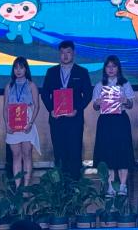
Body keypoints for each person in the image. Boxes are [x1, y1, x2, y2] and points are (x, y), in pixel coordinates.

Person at [41, 40, 92, 179]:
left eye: (68, 52)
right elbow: (45, 94)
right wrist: (51, 110)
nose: (65, 55)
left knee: (75, 152)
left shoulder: (82, 72)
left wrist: (77, 109)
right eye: (62, 52)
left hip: (74, 119)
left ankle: (75, 184)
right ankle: (60, 185)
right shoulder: (51, 72)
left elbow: (88, 95)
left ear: (73, 53)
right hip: (56, 119)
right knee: (59, 152)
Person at [92, 55, 135, 195]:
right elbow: (95, 107)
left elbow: (131, 104)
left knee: (123, 152)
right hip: (105, 121)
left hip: (120, 120)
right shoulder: (99, 85)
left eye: (114, 66)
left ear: (118, 68)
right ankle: (111, 185)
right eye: (108, 66)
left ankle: (122, 185)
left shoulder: (125, 84)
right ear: (105, 68)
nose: (111, 69)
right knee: (107, 153)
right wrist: (97, 103)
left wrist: (125, 100)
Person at [3, 57, 41, 185]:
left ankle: (26, 186)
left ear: (26, 69)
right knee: (16, 155)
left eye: (21, 67)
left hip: (27, 124)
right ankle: (17, 185)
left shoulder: (31, 85)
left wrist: (30, 123)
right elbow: (5, 108)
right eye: (16, 68)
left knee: (27, 154)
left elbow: (37, 106)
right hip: (12, 125)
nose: (18, 70)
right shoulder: (8, 86)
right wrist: (7, 124)